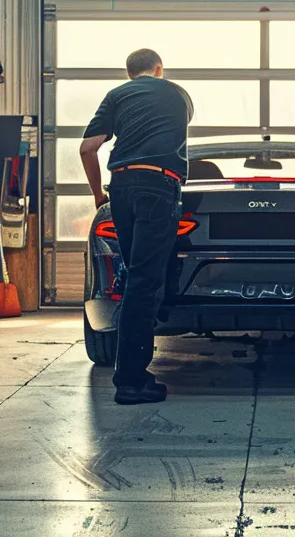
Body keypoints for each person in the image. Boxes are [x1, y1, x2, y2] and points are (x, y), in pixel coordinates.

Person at [79, 49, 193, 405]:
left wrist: (99, 195)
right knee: (145, 283)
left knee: (133, 279)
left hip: (122, 188)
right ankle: (130, 381)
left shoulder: (116, 95)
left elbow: (88, 148)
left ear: (129, 73)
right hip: (158, 186)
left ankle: (129, 371)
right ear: (159, 69)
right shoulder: (177, 94)